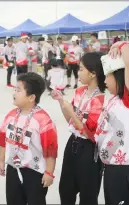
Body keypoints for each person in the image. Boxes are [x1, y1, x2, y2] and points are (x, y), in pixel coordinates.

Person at [96, 41, 129, 205]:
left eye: (107, 76)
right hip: (112, 169)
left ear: (120, 75)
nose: (104, 81)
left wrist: (121, 44)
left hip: (128, 171)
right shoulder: (114, 99)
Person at [51, 52, 106, 205]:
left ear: (93, 73)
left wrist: (71, 110)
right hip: (73, 143)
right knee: (65, 189)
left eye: (81, 69)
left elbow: (90, 134)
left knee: (88, 194)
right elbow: (70, 120)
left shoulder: (100, 100)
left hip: (89, 150)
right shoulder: (80, 92)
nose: (78, 72)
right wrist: (61, 102)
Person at [0, 72, 58, 205]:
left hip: (34, 172)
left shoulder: (43, 120)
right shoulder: (10, 116)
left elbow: (50, 150)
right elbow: (3, 140)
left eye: (18, 90)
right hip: (13, 168)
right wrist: (1, 161)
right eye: (14, 89)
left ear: (31, 97)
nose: (14, 92)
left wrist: (49, 172)